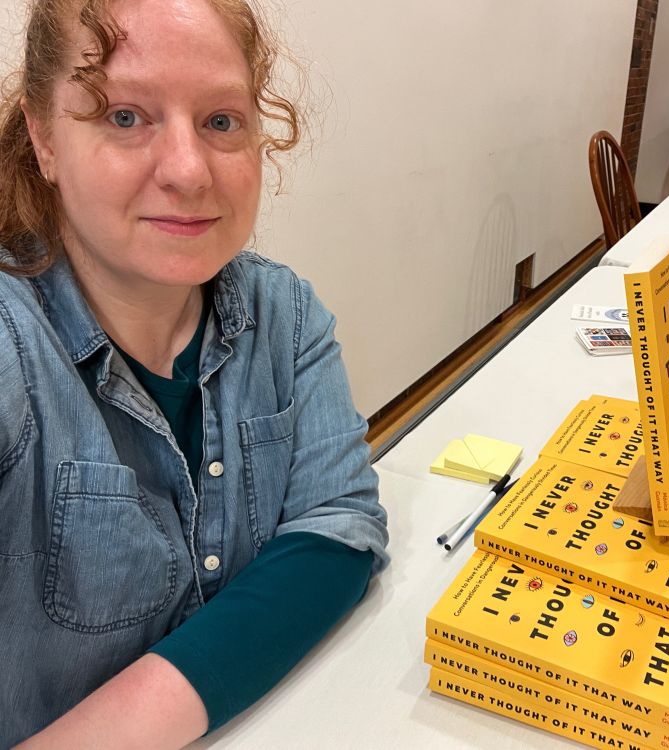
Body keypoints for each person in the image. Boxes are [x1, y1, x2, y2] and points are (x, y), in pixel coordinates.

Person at [0, 0, 389, 746]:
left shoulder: (284, 313)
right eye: (123, 117)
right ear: (43, 138)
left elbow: (339, 526)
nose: (188, 170)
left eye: (220, 122)